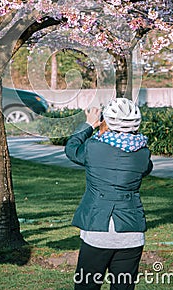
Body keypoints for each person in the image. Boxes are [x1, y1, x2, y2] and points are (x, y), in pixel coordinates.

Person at [65, 98, 153, 290]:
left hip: (98, 231)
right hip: (132, 233)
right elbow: (145, 168)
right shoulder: (143, 153)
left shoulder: (93, 147)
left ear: (108, 119)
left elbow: (71, 149)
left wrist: (89, 125)